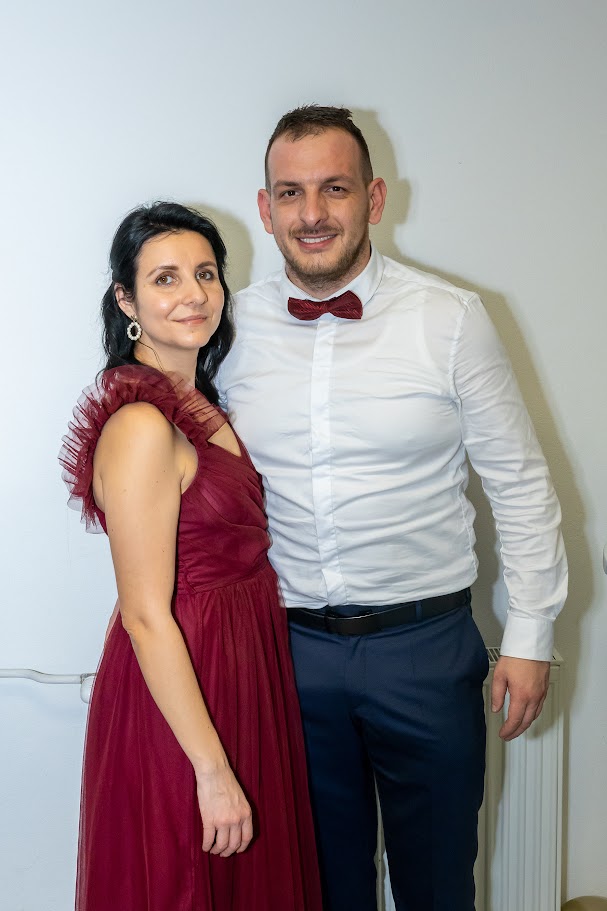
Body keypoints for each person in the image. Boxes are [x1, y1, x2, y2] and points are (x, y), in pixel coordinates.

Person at [217, 106, 568, 911]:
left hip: (426, 652)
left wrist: (531, 634)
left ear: (373, 198)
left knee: (436, 886)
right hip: (289, 654)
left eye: (334, 189)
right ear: (265, 208)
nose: (312, 213)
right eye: (291, 193)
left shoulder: (451, 319)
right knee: (317, 889)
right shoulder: (226, 330)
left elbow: (518, 481)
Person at [59, 202, 322, 911]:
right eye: (166, 278)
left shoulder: (200, 403)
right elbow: (145, 614)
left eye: (205, 273)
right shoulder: (141, 425)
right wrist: (210, 767)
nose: (193, 294)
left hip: (240, 668)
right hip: (183, 693)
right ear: (127, 300)